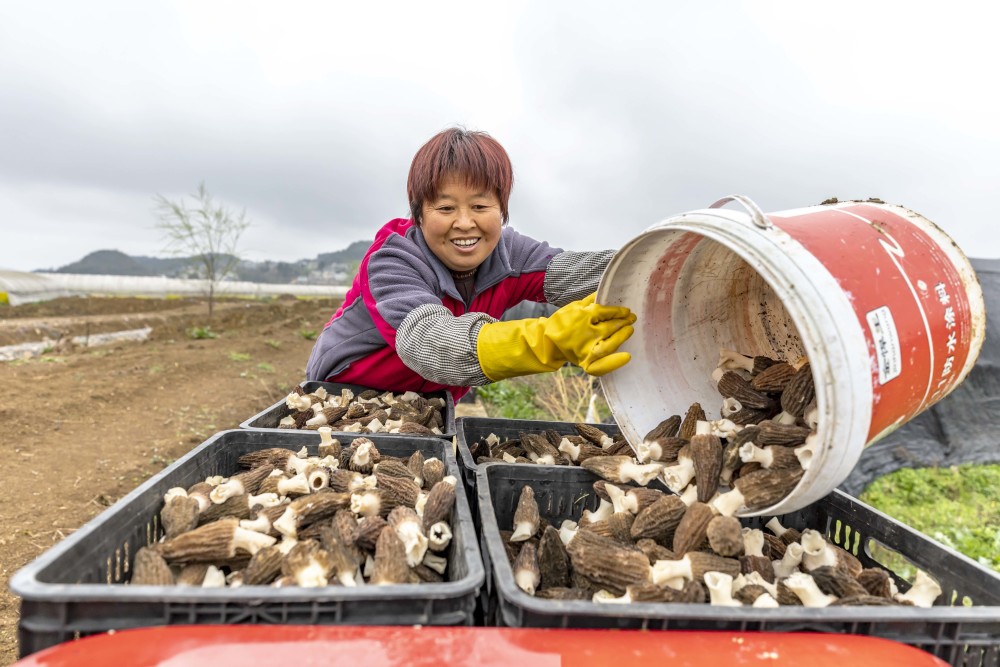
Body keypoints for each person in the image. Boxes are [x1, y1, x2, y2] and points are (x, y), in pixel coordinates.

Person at [305, 127, 636, 401]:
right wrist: (547, 340)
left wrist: (675, 259)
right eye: (446, 208)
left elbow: (589, 274)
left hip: (428, 405)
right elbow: (429, 342)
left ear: (501, 210)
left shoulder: (510, 255)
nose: (465, 223)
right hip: (344, 396)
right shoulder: (392, 262)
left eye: (480, 206)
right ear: (419, 215)